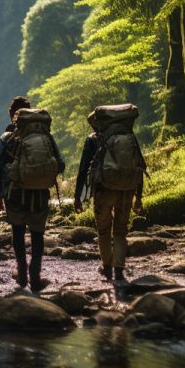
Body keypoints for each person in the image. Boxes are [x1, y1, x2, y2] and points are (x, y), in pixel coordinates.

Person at [0, 96, 64, 291]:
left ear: (11, 114)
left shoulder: (7, 138)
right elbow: (61, 164)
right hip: (40, 194)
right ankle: (35, 272)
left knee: (18, 231)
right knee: (38, 234)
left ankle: (22, 271)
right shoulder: (46, 138)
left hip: (14, 194)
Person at [74, 104, 146, 282]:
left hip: (103, 190)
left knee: (104, 230)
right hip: (126, 190)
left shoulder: (94, 139)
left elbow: (83, 169)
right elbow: (139, 166)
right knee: (121, 232)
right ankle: (119, 270)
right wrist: (139, 196)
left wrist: (77, 196)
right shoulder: (129, 137)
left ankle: (107, 267)